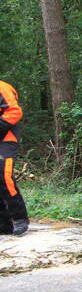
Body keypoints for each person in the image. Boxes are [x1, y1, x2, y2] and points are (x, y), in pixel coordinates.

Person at [0, 80, 29, 237]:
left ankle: (19, 218)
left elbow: (14, 112)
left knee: (4, 175)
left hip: (6, 137)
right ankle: (3, 223)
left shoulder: (2, 88)